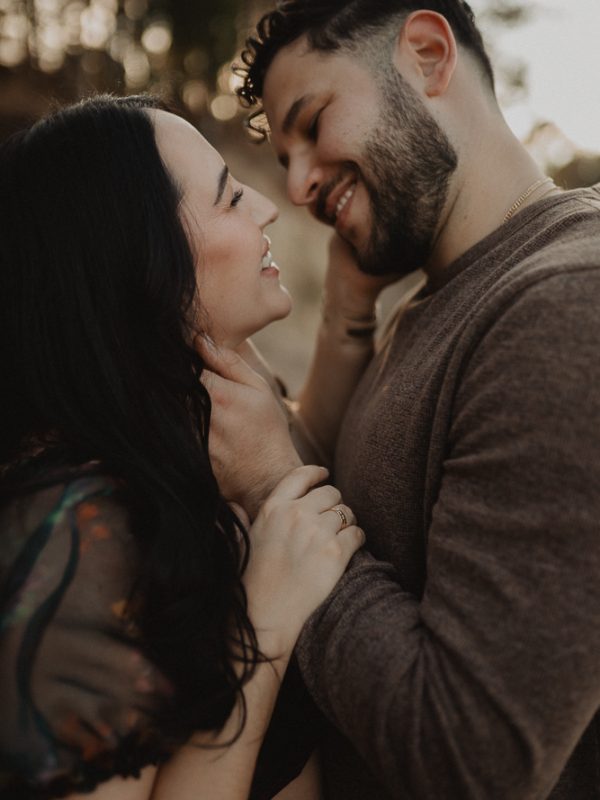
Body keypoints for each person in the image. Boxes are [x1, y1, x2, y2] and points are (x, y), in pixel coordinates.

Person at [199, 1, 600, 798]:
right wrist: (347, 323)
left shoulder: (562, 308)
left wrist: (273, 484)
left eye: (312, 123)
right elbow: (374, 530)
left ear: (424, 54)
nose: (300, 184)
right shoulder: (442, 296)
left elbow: (469, 760)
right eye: (284, 156)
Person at [0, 94, 368, 799]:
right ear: (143, 262)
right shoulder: (73, 534)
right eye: (230, 197)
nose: (266, 207)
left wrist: (350, 308)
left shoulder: (172, 446)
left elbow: (296, 428)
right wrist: (265, 619)